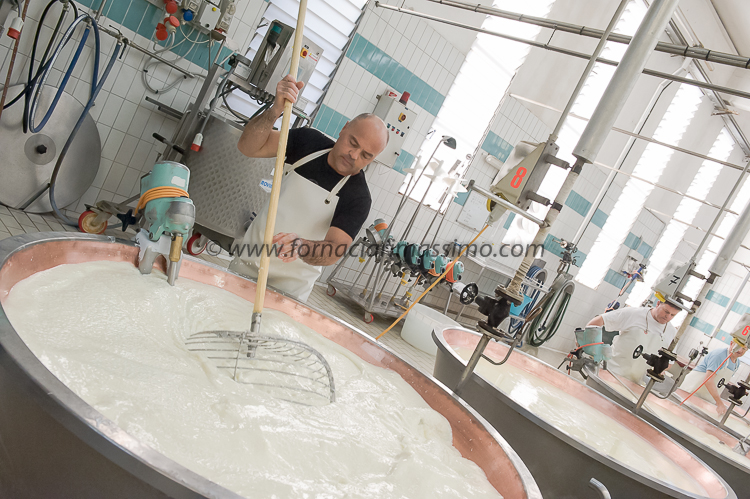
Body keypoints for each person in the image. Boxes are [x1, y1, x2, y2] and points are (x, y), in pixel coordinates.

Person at [228, 75, 389, 302]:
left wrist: (301, 246)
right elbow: (247, 146)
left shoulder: (358, 196)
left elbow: (334, 250)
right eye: (353, 143)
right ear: (343, 129)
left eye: (366, 155)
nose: (354, 155)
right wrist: (275, 109)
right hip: (247, 263)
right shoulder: (307, 143)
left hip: (290, 289)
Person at [586, 299, 681, 382]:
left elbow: (669, 363)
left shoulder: (672, 333)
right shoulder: (634, 314)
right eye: (666, 311)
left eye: (673, 315)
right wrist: (591, 348)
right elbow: (597, 321)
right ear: (658, 303)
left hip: (634, 383)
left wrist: (659, 369)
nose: (668, 317)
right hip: (609, 372)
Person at [680, 315, 749, 417]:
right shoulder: (720, 355)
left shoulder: (736, 363)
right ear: (731, 343)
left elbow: (719, 380)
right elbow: (708, 380)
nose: (740, 350)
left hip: (706, 399)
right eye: (738, 346)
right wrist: (719, 402)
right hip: (691, 392)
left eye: (744, 348)